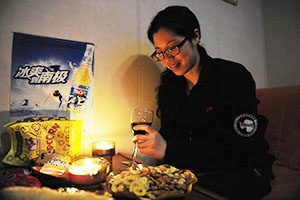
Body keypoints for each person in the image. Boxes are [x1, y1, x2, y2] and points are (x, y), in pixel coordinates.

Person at [132, 5, 275, 200]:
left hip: (243, 169)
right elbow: (172, 136)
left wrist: (168, 150)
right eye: (160, 53)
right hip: (193, 173)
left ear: (195, 36)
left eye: (173, 48)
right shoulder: (170, 86)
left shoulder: (233, 77)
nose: (167, 59)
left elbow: (237, 150)